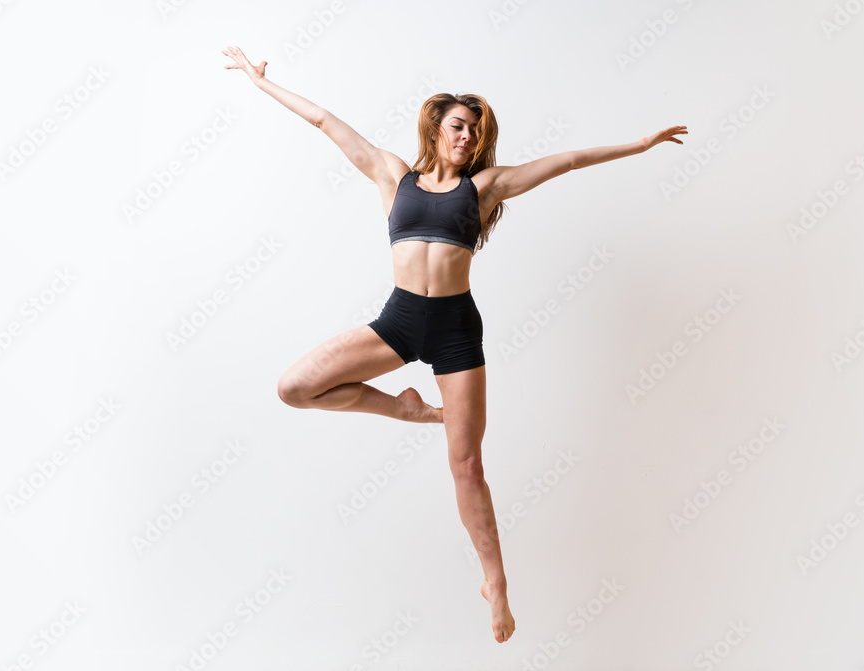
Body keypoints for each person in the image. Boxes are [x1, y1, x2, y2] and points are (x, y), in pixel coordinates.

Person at [222, 45, 687, 644]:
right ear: (436, 131)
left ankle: (496, 583)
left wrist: (640, 145)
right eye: (459, 127)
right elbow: (324, 121)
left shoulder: (486, 187)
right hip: (399, 322)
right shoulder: (394, 175)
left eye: (476, 130)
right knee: (295, 387)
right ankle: (406, 409)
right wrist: (262, 85)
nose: (468, 136)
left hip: (456, 331)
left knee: (467, 466)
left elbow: (567, 160)